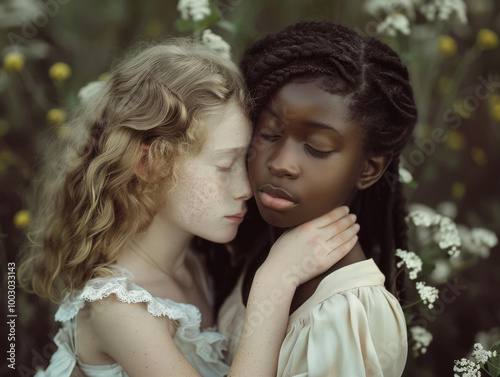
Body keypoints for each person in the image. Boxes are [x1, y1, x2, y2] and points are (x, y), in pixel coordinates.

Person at [18, 39, 360, 377]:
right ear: (149, 164)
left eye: (247, 161)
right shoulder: (119, 307)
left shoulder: (197, 261)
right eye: (225, 167)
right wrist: (274, 283)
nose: (245, 189)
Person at [217, 20, 418, 376]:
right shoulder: (263, 251)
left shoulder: (345, 313)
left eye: (317, 147)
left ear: (368, 168)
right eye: (268, 132)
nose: (280, 164)